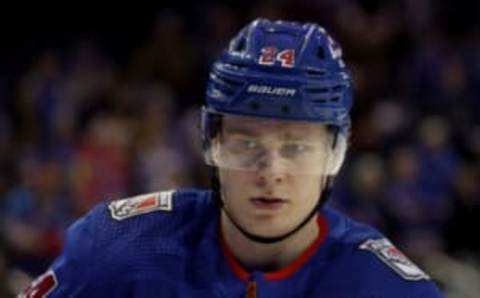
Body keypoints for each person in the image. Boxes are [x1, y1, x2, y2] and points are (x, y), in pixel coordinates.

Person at [20, 19, 443, 297]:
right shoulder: (119, 247)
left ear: (336, 153)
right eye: (246, 145)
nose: (271, 172)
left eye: (295, 148)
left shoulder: (387, 288)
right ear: (210, 143)